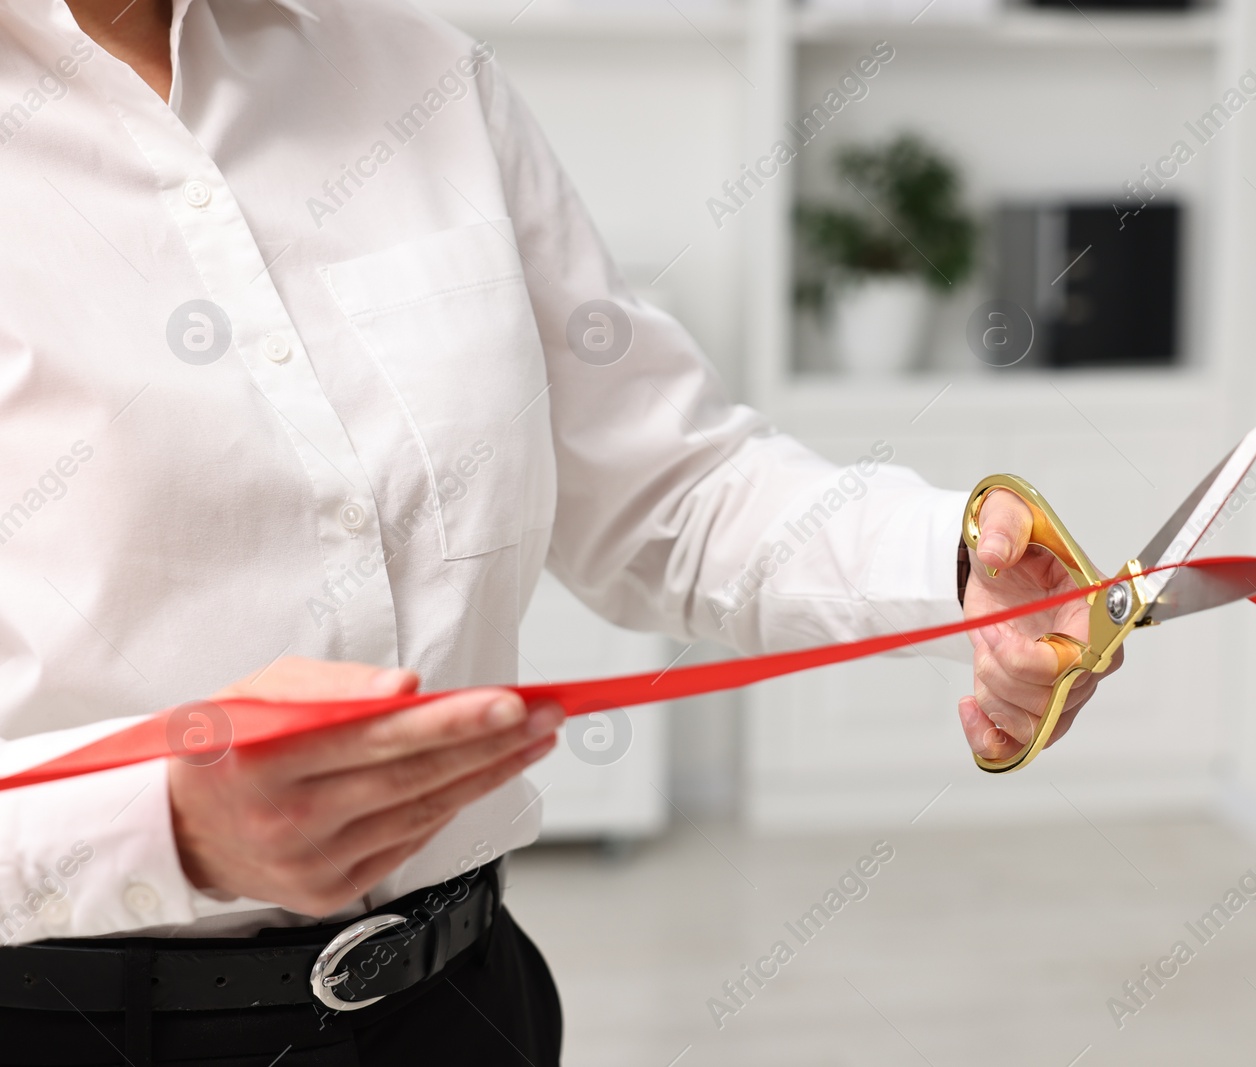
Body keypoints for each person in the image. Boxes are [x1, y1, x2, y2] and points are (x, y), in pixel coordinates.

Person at [0, 1, 1120, 1063]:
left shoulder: (419, 74)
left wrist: (962, 564)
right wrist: (162, 827)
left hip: (460, 1006)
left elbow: (670, 488)